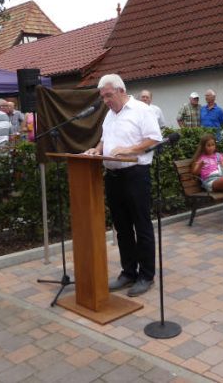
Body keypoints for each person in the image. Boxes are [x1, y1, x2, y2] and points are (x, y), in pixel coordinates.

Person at [85, 74, 161, 297]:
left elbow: (154, 138)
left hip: (136, 175)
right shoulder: (109, 115)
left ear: (121, 90)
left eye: (108, 95)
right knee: (122, 228)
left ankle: (146, 276)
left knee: (142, 226)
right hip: (113, 176)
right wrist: (97, 150)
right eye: (103, 97)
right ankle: (128, 272)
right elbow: (104, 139)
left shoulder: (141, 110)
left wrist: (130, 149)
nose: (105, 100)